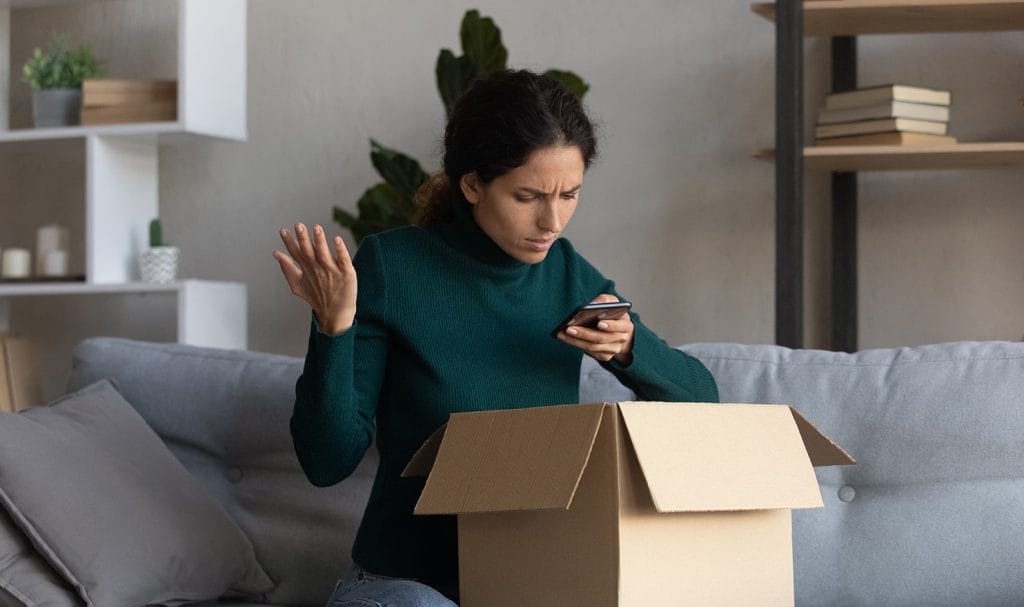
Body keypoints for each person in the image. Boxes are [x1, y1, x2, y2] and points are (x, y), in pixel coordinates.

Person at [273, 69, 719, 607]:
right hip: (404, 588)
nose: (552, 220)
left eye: (570, 194)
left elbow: (703, 400)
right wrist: (333, 326)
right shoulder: (392, 268)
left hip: (530, 582)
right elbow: (327, 463)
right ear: (472, 184)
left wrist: (629, 350)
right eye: (528, 196)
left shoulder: (570, 278)